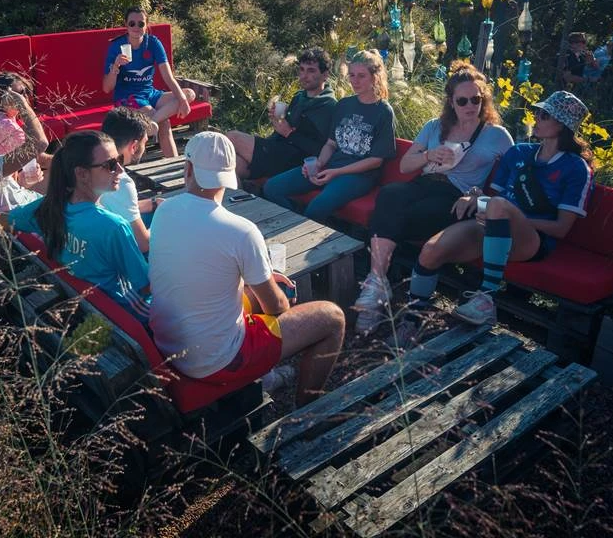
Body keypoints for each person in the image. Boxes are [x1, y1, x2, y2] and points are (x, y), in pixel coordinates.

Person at [149, 132, 345, 406]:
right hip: (217, 361)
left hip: (169, 344)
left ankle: (273, 377)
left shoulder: (164, 211)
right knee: (332, 318)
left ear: (188, 168)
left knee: (250, 293)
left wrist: (254, 278)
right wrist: (269, 286)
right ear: (229, 175)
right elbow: (277, 307)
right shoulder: (241, 231)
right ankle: (306, 412)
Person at [353, 62, 513, 335]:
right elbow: (405, 167)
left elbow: (511, 177)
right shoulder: (435, 127)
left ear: (483, 99)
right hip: (424, 181)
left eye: (476, 99)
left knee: (403, 215)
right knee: (390, 193)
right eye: (462, 100)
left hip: (456, 195)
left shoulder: (496, 135)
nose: (469, 106)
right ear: (451, 102)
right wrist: (429, 155)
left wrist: (479, 196)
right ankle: (378, 280)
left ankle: (377, 287)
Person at [413, 91, 594, 326]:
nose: (536, 117)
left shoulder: (576, 169)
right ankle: (410, 320)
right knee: (430, 251)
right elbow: (495, 199)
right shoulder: (518, 152)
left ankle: (486, 299)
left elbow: (560, 229)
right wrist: (475, 198)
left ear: (562, 125)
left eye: (544, 115)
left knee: (498, 206)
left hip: (530, 240)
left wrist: (501, 213)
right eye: (537, 112)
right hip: (493, 227)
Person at [2, 130, 151, 323]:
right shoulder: (114, 227)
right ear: (81, 174)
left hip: (85, 306)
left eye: (120, 160)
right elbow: (145, 287)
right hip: (126, 314)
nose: (120, 170)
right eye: (111, 165)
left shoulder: (47, 208)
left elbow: (4, 221)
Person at [263, 49, 397, 223]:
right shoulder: (344, 105)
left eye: (361, 76)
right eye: (352, 75)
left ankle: (304, 232)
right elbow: (331, 144)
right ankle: (294, 224)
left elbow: (376, 161)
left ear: (375, 77)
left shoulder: (383, 111)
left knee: (316, 208)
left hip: (359, 175)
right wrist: (319, 163)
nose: (354, 81)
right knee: (272, 188)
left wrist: (336, 172)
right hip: (332, 165)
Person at [226, 48, 337, 180]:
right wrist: (279, 120)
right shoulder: (300, 97)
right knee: (233, 168)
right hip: (278, 150)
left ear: (325, 75)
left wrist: (289, 133)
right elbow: (286, 130)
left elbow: (321, 149)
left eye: (311, 70)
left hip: (295, 161)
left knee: (232, 137)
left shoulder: (329, 106)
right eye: (301, 69)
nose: (304, 75)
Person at [103, 7, 196, 158]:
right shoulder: (116, 46)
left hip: (149, 93)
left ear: (147, 25)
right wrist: (115, 66)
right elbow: (107, 88)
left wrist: (183, 100)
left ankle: (149, 124)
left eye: (141, 24)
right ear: (126, 25)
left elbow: (167, 76)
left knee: (189, 94)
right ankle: (175, 168)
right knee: (164, 124)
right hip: (128, 96)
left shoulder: (153, 43)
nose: (136, 28)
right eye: (132, 23)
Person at [99, 106, 156, 253]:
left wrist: (152, 204)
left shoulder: (87, 164)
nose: (145, 148)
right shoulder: (121, 181)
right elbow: (144, 245)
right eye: (145, 143)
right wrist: (164, 222)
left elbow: (112, 203)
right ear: (134, 146)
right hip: (108, 254)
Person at [0, 71, 52, 187]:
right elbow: (40, 153)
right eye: (19, 94)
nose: (24, 98)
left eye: (26, 92)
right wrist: (71, 161)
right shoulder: (9, 127)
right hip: (5, 192)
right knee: (53, 174)